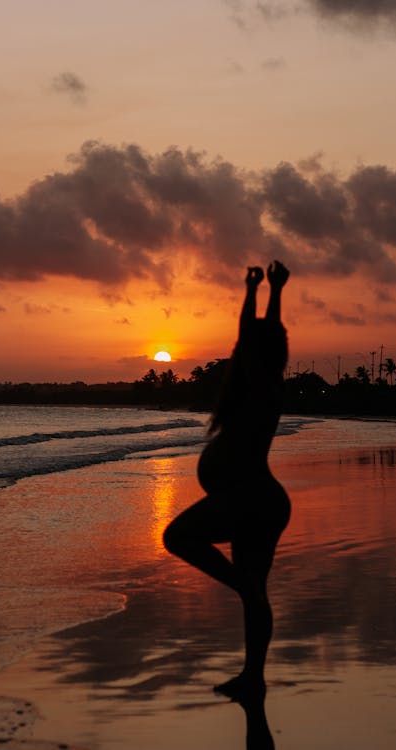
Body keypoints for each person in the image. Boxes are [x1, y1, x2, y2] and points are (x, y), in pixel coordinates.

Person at [163, 260, 291, 703]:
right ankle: (252, 677)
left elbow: (254, 339)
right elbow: (255, 338)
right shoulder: (260, 383)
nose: (240, 351)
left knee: (177, 536)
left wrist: (265, 293)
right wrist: (262, 289)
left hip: (251, 499)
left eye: (247, 350)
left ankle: (241, 586)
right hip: (257, 501)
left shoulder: (261, 387)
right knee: (255, 593)